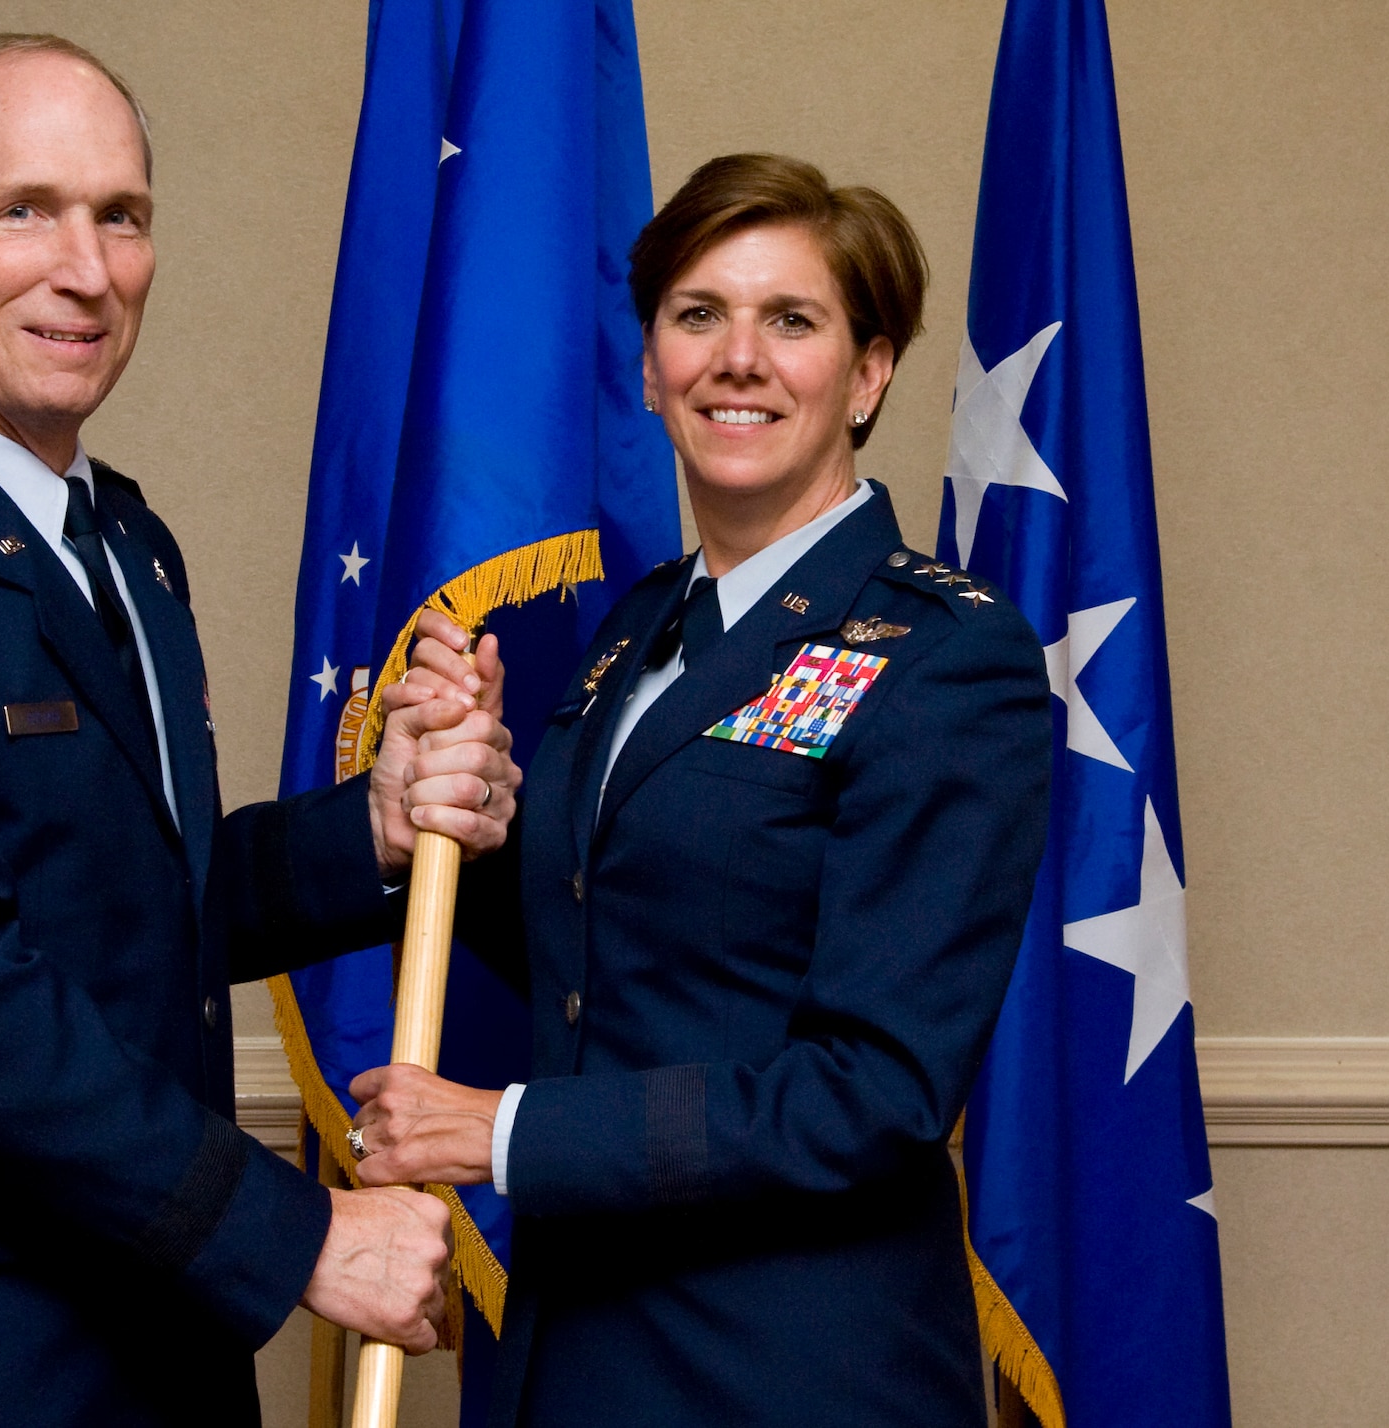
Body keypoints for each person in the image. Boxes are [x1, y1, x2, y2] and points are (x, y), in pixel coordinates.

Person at [0, 34, 520, 1428]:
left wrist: (366, 826)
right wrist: (301, 1235)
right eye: (23, 210)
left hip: (150, 1344)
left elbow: (125, 903)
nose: (86, 268)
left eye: (119, 216)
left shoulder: (125, 540)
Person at [350, 154, 1053, 1427]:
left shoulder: (948, 656)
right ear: (647, 369)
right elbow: (611, 953)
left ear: (867, 374)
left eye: (790, 321)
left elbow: (875, 1091)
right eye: (696, 315)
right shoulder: (636, 635)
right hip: (573, 1353)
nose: (737, 358)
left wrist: (501, 1134)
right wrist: (449, 804)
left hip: (784, 1373)